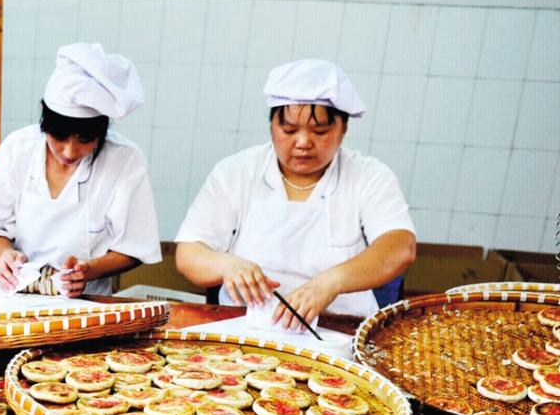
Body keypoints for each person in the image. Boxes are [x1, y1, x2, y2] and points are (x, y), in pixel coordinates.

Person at [175, 58, 417, 327]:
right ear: (272, 126)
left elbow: (400, 247)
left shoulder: (369, 176)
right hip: (245, 326)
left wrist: (330, 282)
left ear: (344, 128)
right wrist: (226, 265)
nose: (303, 142)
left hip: (341, 327)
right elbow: (188, 253)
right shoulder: (237, 171)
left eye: (320, 131)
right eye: (289, 130)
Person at [0, 43, 161, 297]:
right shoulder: (18, 148)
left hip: (87, 300)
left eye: (85, 140)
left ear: (102, 132)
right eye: (59, 137)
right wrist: (5, 254)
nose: (70, 152)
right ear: (44, 123)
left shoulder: (125, 160)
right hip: (14, 293)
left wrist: (88, 270)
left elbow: (134, 247)